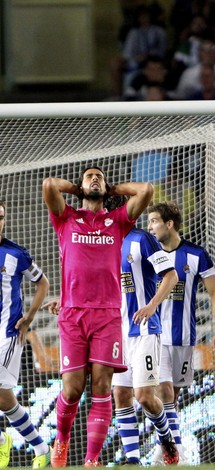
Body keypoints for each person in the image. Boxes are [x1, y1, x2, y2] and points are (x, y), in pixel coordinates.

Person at [41, 167, 162, 467]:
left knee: (102, 387)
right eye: (89, 177)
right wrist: (77, 189)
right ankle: (62, 439)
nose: (94, 179)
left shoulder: (118, 221)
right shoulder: (66, 218)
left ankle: (92, 459)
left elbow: (146, 190)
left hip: (108, 315)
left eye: (99, 176)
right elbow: (48, 185)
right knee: (71, 389)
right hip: (73, 315)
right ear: (81, 186)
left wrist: (112, 189)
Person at [146, 201, 215, 464]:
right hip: (154, 336)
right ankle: (175, 449)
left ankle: (164, 444)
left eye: (154, 221)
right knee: (164, 391)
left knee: (173, 395)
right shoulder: (150, 254)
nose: (150, 227)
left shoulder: (196, 254)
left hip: (184, 337)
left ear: (169, 224)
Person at [104, 197, 181, 465]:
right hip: (116, 333)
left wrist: (151, 305)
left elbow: (171, 275)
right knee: (121, 395)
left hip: (145, 330)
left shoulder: (142, 240)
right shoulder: (103, 242)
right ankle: (132, 459)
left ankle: (166, 436)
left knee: (144, 396)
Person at [0, 201, 50, 468]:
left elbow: (42, 282)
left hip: (7, 333)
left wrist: (29, 317)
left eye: (1, 217)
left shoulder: (16, 254)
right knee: (6, 400)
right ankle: (41, 447)